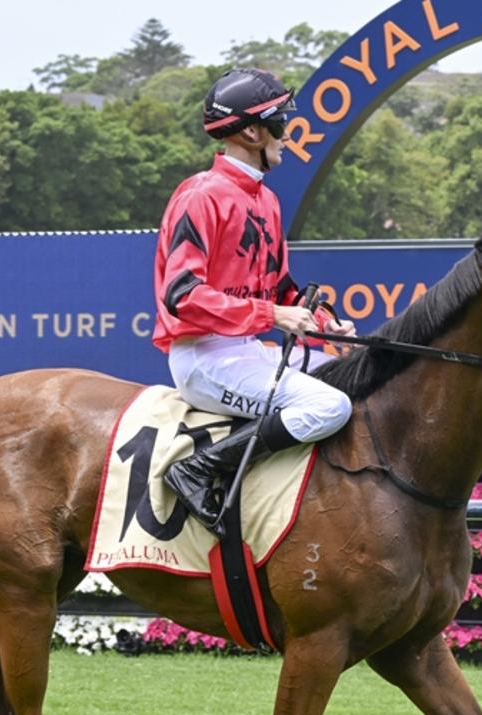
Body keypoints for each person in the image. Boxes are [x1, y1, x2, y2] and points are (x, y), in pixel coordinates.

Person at [152, 68, 355, 531]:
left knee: (355, 378)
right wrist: (271, 314)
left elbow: (281, 287)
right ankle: (199, 468)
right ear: (251, 130)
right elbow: (181, 295)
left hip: (248, 353)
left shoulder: (266, 199)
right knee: (330, 408)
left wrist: (323, 320)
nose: (288, 132)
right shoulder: (200, 195)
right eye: (281, 121)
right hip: (204, 359)